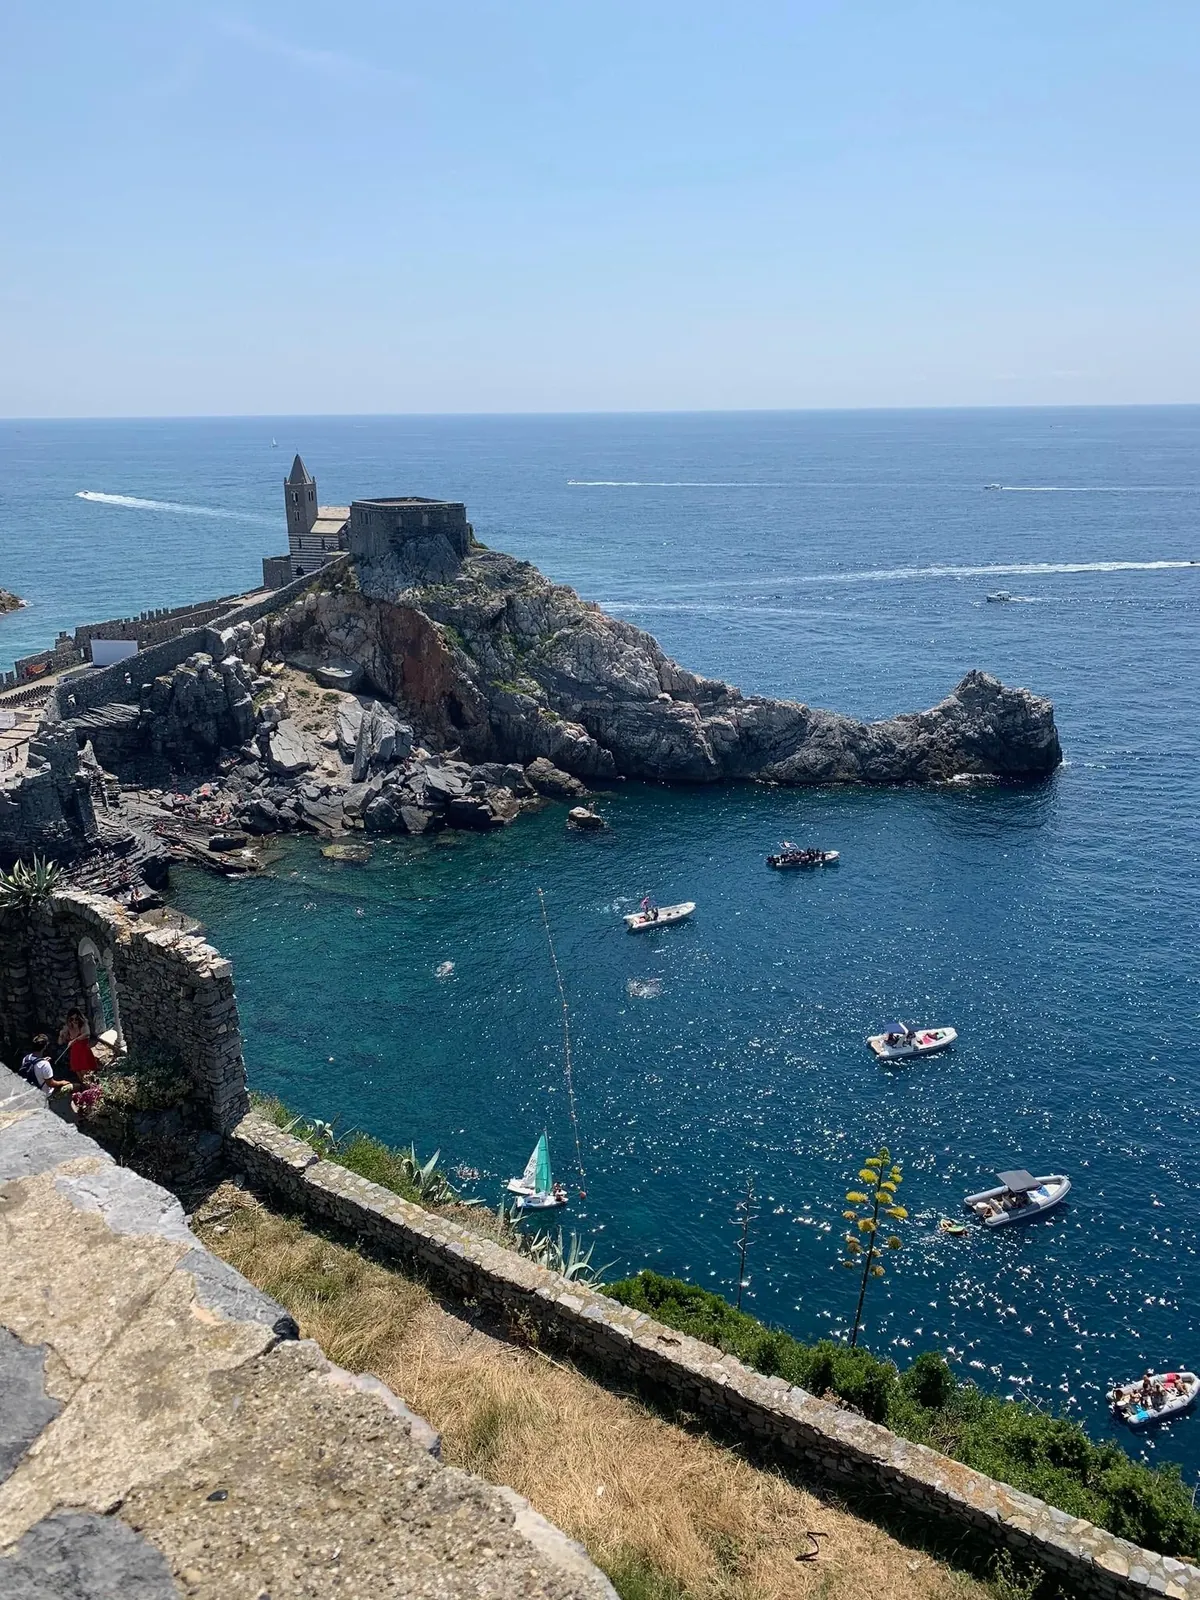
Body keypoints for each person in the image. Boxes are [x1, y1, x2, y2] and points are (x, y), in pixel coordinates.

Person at [58, 1009, 98, 1080]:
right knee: (80, 1078)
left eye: (76, 1018)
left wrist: (74, 1040)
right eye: (71, 1019)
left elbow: (87, 1033)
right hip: (75, 1054)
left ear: (79, 1017)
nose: (74, 1021)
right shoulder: (68, 1027)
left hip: (84, 1053)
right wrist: (61, 1035)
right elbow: (60, 1042)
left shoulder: (83, 1024)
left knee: (86, 1077)